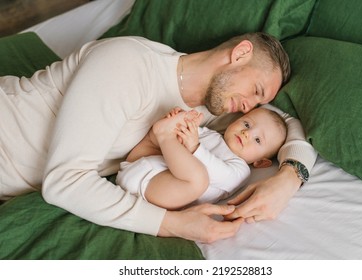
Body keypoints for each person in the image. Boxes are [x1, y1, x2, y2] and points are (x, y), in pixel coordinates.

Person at [0, 32, 317, 243]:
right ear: (241, 54)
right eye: (255, 91)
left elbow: (287, 122)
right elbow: (64, 181)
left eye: (257, 104)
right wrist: (173, 224)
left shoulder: (209, 108)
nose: (249, 106)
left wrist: (289, 178)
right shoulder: (128, 65)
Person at [116, 106, 287, 210]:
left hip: (153, 187)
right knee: (168, 133)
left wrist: (194, 147)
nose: (247, 133)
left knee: (199, 179)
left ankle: (163, 135)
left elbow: (219, 173)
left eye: (258, 140)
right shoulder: (210, 134)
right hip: (139, 162)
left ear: (261, 162)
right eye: (247, 124)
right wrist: (183, 122)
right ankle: (162, 134)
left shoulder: (241, 170)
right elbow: (183, 136)